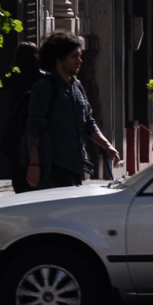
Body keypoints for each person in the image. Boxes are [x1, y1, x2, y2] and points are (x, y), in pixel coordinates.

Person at [20, 33, 118, 190]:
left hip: (76, 165)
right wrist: (34, 163)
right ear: (59, 58)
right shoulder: (46, 86)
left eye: (80, 56)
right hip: (55, 166)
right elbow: (34, 126)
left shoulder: (77, 86)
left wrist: (107, 146)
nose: (80, 61)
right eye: (74, 56)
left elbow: (88, 122)